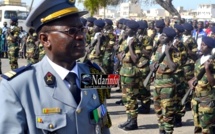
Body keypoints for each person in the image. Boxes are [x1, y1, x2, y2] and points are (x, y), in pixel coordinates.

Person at [0, 0, 111, 133]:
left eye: (82, 29)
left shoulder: (94, 76)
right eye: (72, 31)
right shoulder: (17, 87)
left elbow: (103, 126)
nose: (81, 36)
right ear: (45, 40)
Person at [189, 36, 215, 134]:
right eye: (201, 44)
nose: (200, 46)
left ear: (209, 48)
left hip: (208, 100)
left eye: (203, 45)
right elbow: (195, 77)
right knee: (198, 127)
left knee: (208, 129)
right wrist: (190, 82)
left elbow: (213, 83)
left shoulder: (213, 62)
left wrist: (207, 69)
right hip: (196, 99)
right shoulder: (198, 61)